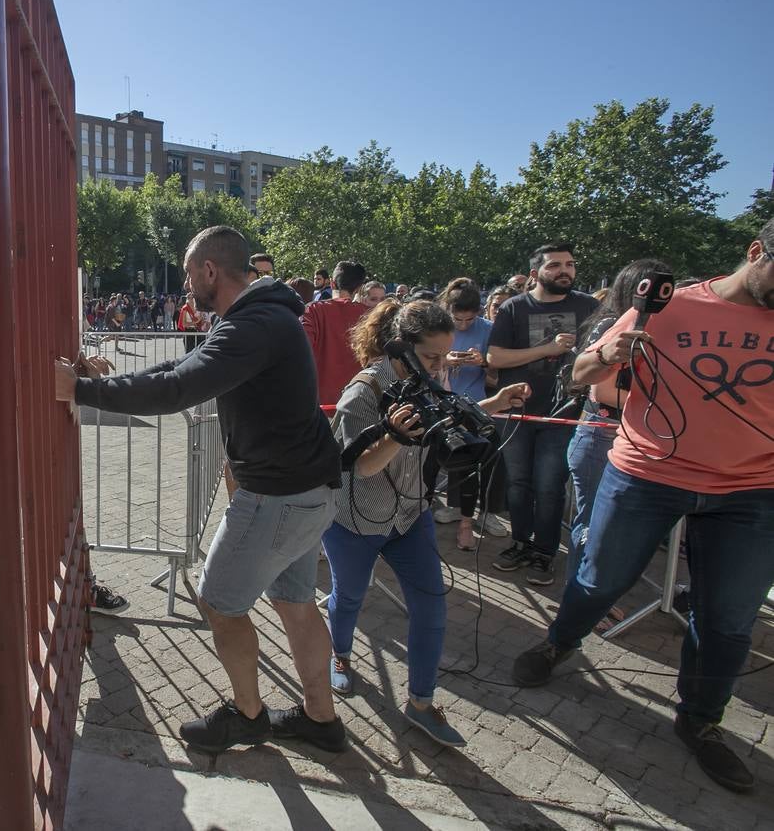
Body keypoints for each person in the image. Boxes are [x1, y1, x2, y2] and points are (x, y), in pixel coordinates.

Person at [57, 225, 347, 756]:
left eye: (190, 273)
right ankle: (320, 721)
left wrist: (78, 390)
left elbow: (178, 388)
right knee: (297, 604)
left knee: (218, 601)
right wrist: (103, 382)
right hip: (307, 491)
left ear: (210, 270)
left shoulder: (254, 323)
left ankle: (249, 717)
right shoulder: (260, 316)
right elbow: (180, 367)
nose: (187, 285)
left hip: (277, 496)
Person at [513, 221, 774, 795]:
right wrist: (606, 352)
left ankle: (701, 720)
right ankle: (560, 642)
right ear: (756, 253)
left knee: (729, 618)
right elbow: (580, 376)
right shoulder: (669, 306)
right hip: (648, 475)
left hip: (753, 491)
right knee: (599, 578)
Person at [326, 299, 528, 747]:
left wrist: (494, 402)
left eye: (445, 355)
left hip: (409, 516)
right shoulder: (362, 393)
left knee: (432, 607)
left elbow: (451, 414)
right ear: (400, 348)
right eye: (433, 356)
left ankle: (420, 703)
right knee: (350, 597)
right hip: (355, 521)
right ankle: (338, 656)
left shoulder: (431, 381)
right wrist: (396, 438)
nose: (441, 366)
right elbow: (358, 467)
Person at [563, 259, 669, 620]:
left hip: (630, 439)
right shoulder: (614, 328)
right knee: (592, 528)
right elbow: (602, 390)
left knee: (610, 532)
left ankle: (590, 599)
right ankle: (580, 604)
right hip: (600, 437)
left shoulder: (658, 328)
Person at [487, 243, 599, 586]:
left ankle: (545, 551)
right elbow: (494, 359)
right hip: (516, 411)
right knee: (518, 483)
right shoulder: (513, 309)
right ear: (536, 274)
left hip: (563, 414)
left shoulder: (589, 307)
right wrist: (548, 349)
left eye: (570, 264)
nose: (564, 270)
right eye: (555, 266)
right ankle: (519, 541)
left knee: (550, 485)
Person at [433, 278, 494, 550]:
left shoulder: (489, 329)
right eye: (458, 319)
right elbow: (421, 359)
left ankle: (476, 517)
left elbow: (496, 372)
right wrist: (445, 360)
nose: (464, 325)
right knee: (442, 464)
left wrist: (484, 362)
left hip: (477, 405)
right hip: (441, 405)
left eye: (470, 320)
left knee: (477, 461)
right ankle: (454, 507)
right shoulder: (436, 327)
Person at [302, 260, 371, 410]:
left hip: (320, 405)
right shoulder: (370, 316)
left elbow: (301, 350)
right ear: (359, 288)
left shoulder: (313, 310)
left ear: (332, 283)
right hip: (359, 404)